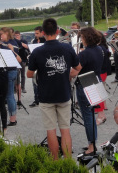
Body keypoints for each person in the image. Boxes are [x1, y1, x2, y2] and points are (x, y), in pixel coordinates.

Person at [27, 18, 81, 160]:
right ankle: (68, 162)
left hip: (46, 96)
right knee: (65, 130)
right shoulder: (67, 48)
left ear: (43, 33)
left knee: (50, 131)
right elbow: (78, 68)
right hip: (64, 94)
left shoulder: (37, 52)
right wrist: (66, 74)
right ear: (57, 31)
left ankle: (55, 162)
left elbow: (29, 74)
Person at [71, 27, 104, 155]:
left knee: (87, 116)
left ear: (86, 38)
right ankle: (93, 143)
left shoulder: (84, 53)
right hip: (96, 82)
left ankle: (91, 146)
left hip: (85, 84)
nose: (81, 40)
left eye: (82, 37)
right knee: (91, 114)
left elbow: (74, 72)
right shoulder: (100, 49)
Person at [0, 27, 22, 127]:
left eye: (2, 34)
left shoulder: (12, 43)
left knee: (9, 96)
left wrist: (11, 50)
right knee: (8, 95)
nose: (0, 36)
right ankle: (12, 117)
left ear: (6, 34)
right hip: (7, 71)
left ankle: (13, 119)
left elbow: (18, 59)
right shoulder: (4, 43)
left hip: (10, 71)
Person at [95, 31, 110, 125]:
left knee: (98, 93)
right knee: (101, 90)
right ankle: (103, 107)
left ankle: (101, 114)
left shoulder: (100, 48)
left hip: (101, 72)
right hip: (103, 72)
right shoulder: (103, 48)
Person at [29, 26, 46, 107]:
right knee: (34, 82)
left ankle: (44, 98)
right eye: (35, 33)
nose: (36, 35)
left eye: (37, 33)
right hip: (36, 63)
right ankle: (36, 99)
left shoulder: (45, 40)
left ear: (42, 33)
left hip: (44, 64)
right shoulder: (34, 41)